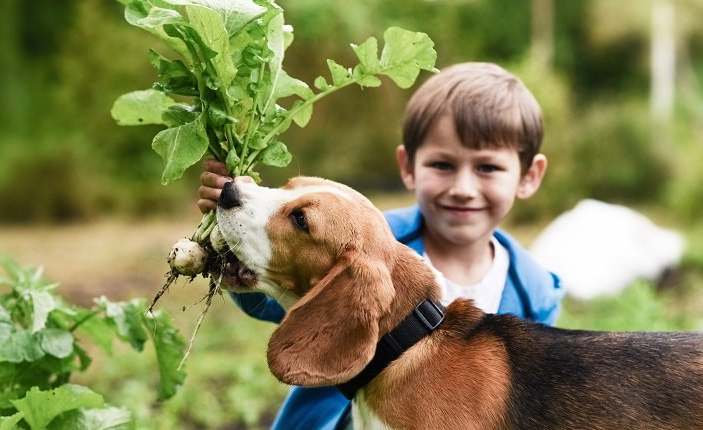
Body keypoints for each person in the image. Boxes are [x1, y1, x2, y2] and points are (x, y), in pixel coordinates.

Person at [197, 62, 564, 430]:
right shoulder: (369, 240)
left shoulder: (535, 292)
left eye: (487, 168)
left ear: (528, 176)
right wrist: (234, 241)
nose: (463, 188)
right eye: (442, 164)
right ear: (408, 166)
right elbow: (277, 294)